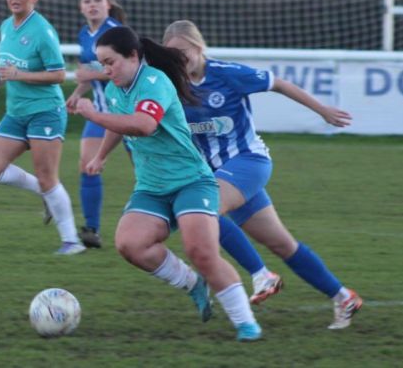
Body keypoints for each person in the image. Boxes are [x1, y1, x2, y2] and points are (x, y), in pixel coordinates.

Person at [162, 19, 363, 330]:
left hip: (248, 162)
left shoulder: (226, 73)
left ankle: (261, 274)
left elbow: (279, 84)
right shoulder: (171, 85)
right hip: (220, 175)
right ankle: (343, 296)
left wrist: (322, 110)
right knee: (282, 244)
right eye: (172, 54)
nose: (179, 59)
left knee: (205, 211)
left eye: (183, 52)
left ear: (198, 47)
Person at [71, 26, 262, 342]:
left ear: (133, 56)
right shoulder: (118, 89)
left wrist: (94, 115)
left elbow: (144, 125)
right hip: (151, 186)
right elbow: (119, 123)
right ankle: (192, 283)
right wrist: (101, 156)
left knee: (202, 252)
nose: (106, 70)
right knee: (130, 244)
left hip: (191, 182)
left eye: (110, 62)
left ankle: (245, 322)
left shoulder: (154, 82)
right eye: (101, 64)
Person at [0, 0, 85, 256]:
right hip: (16, 113)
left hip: (45, 112)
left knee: (48, 176)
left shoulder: (43, 31)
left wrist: (19, 75)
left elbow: (59, 75)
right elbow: (10, 65)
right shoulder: (6, 26)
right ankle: (45, 193)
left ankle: (72, 242)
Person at [65, 0, 125, 249]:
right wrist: (77, 93)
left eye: (97, 0)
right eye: (87, 0)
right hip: (100, 112)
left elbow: (126, 69)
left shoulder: (115, 33)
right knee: (88, 165)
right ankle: (91, 230)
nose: (92, 5)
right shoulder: (84, 34)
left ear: (108, 5)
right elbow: (89, 73)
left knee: (148, 172)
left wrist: (89, 74)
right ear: (81, 7)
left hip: (127, 110)